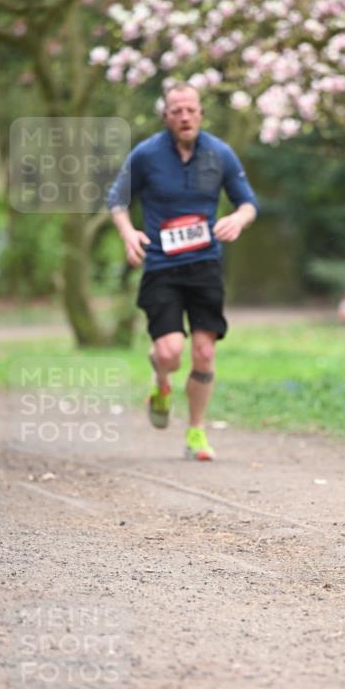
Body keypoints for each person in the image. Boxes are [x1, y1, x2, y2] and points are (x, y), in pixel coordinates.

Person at [107, 81, 258, 460]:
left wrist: (238, 220)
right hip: (162, 266)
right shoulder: (146, 155)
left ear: (201, 113)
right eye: (177, 111)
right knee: (170, 352)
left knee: (204, 353)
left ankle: (196, 432)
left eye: (191, 109)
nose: (185, 116)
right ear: (166, 116)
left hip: (205, 265)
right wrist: (129, 234)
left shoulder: (220, 153)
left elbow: (248, 203)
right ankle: (161, 381)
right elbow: (117, 199)